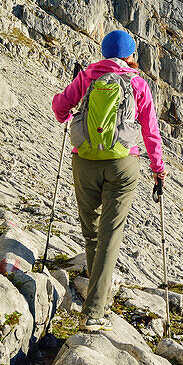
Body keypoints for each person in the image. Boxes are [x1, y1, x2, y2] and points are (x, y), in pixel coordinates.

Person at [53, 29, 167, 332]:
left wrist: (72, 118)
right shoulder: (138, 83)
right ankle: (94, 312)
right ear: (130, 55)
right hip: (122, 165)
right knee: (110, 237)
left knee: (92, 234)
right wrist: (158, 168)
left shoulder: (88, 77)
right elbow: (150, 131)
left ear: (105, 53)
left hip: (85, 160)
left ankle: (95, 300)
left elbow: (59, 108)